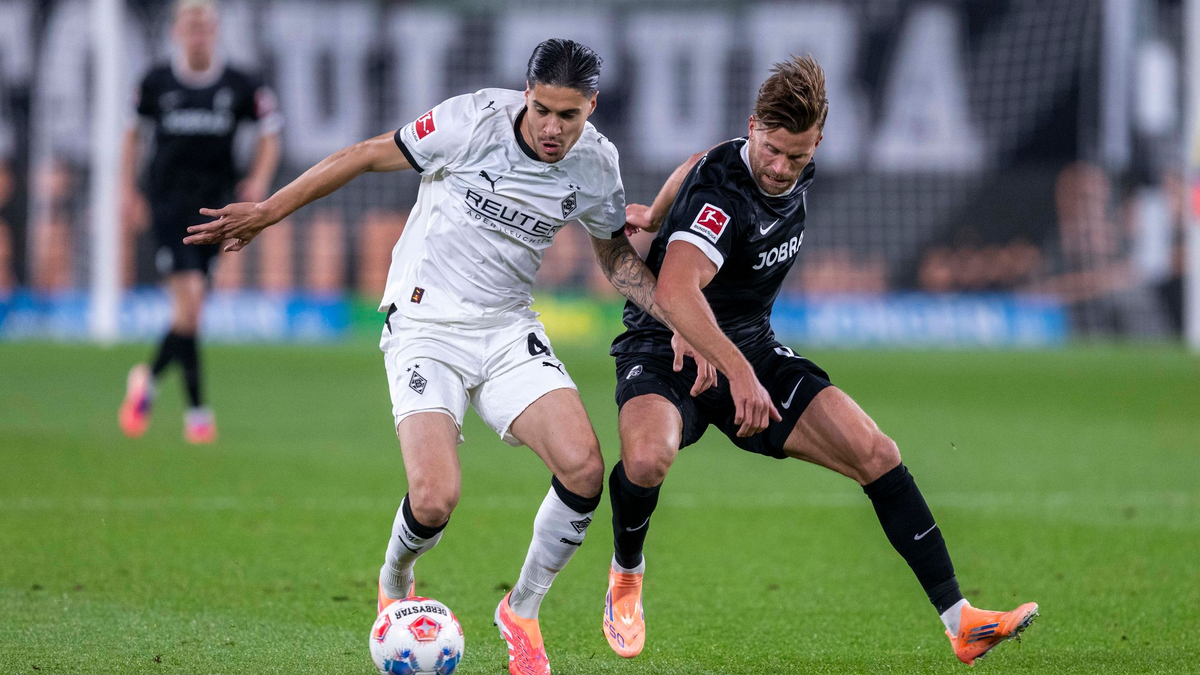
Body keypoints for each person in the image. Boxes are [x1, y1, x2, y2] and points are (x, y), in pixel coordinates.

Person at [184, 39, 670, 675]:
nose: (553, 128)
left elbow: (612, 256)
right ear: (527, 94)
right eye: (544, 110)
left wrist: (681, 322)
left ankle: (521, 611)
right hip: (423, 320)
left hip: (506, 327)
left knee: (583, 469)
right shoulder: (470, 121)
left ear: (591, 108)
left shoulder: (597, 165)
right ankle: (395, 580)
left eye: (569, 116)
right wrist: (267, 212)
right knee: (436, 497)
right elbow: (363, 155)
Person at [603, 55, 1039, 666]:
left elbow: (701, 157)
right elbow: (676, 291)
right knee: (648, 458)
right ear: (754, 126)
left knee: (876, 453)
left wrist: (653, 211)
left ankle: (960, 621)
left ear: (818, 143)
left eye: (797, 157)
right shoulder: (722, 197)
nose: (781, 169)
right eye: (772, 151)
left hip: (748, 344)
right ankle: (626, 573)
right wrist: (737, 370)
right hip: (666, 342)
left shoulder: (769, 157)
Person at [118, 0, 282, 444]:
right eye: (190, 24)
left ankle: (147, 380)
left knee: (191, 312)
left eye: (205, 25)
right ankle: (197, 414)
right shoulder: (156, 82)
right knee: (190, 303)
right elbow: (132, 136)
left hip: (218, 208)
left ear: (215, 30)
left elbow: (271, 133)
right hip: (168, 204)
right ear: (177, 31)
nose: (198, 32)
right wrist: (128, 190)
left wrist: (258, 181)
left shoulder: (240, 83)